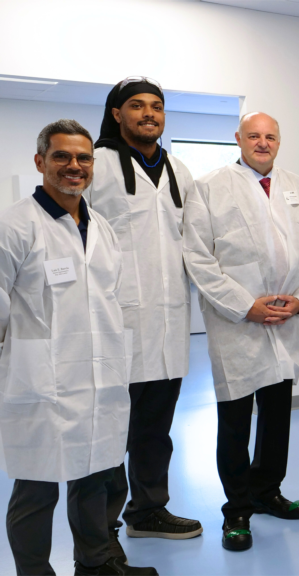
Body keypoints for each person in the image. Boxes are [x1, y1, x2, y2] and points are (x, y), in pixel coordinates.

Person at [1, 120, 157, 576]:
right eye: (62, 157)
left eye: (83, 158)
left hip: (100, 378)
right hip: (41, 383)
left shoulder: (102, 228)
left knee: (97, 478)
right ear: (40, 162)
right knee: (36, 488)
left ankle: (96, 564)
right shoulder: (16, 226)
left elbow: (110, 300)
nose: (74, 166)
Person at [183, 112, 299, 551]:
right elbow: (198, 258)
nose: (262, 143)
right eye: (254, 136)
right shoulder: (209, 188)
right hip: (237, 323)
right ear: (238, 139)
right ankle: (237, 509)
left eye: (270, 137)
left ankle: (267, 492)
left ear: (279, 142)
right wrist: (246, 305)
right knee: (236, 420)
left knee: (278, 415)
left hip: (284, 317)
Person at [85, 77, 203, 557]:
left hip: (170, 323)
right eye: (137, 106)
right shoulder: (96, 165)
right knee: (113, 430)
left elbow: (195, 243)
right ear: (117, 113)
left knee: (156, 429)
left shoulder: (179, 169)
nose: (148, 114)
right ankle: (102, 531)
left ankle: (148, 511)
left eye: (156, 106)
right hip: (115, 324)